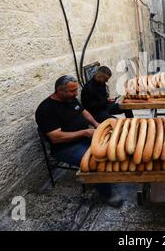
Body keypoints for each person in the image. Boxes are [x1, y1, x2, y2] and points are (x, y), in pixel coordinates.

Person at [35, 75, 123, 207]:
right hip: (65, 148)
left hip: (84, 138)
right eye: (72, 91)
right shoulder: (46, 109)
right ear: (59, 91)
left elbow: (84, 112)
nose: (76, 93)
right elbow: (56, 137)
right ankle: (107, 195)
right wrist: (85, 132)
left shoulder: (70, 99)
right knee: (96, 162)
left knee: (115, 145)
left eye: (76, 90)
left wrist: (96, 124)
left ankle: (106, 177)